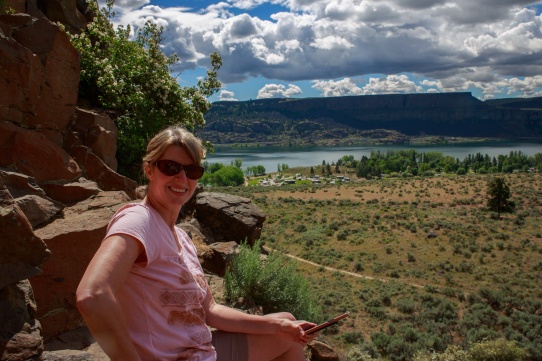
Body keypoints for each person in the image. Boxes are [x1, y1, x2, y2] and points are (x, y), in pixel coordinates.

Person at [76, 125, 317, 361]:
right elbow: (92, 295)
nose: (181, 178)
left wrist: (276, 326)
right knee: (288, 336)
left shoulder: (181, 237)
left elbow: (210, 310)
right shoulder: (139, 220)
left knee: (286, 323)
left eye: (192, 171)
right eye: (170, 167)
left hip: (199, 348)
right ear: (149, 170)